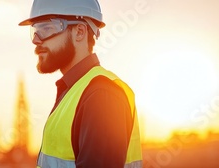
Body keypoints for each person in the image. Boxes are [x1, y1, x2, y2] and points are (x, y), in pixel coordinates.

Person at [18, 0, 143, 167]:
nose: (36, 40)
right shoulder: (76, 91)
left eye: (47, 28)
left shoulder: (101, 96)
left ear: (79, 32)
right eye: (35, 30)